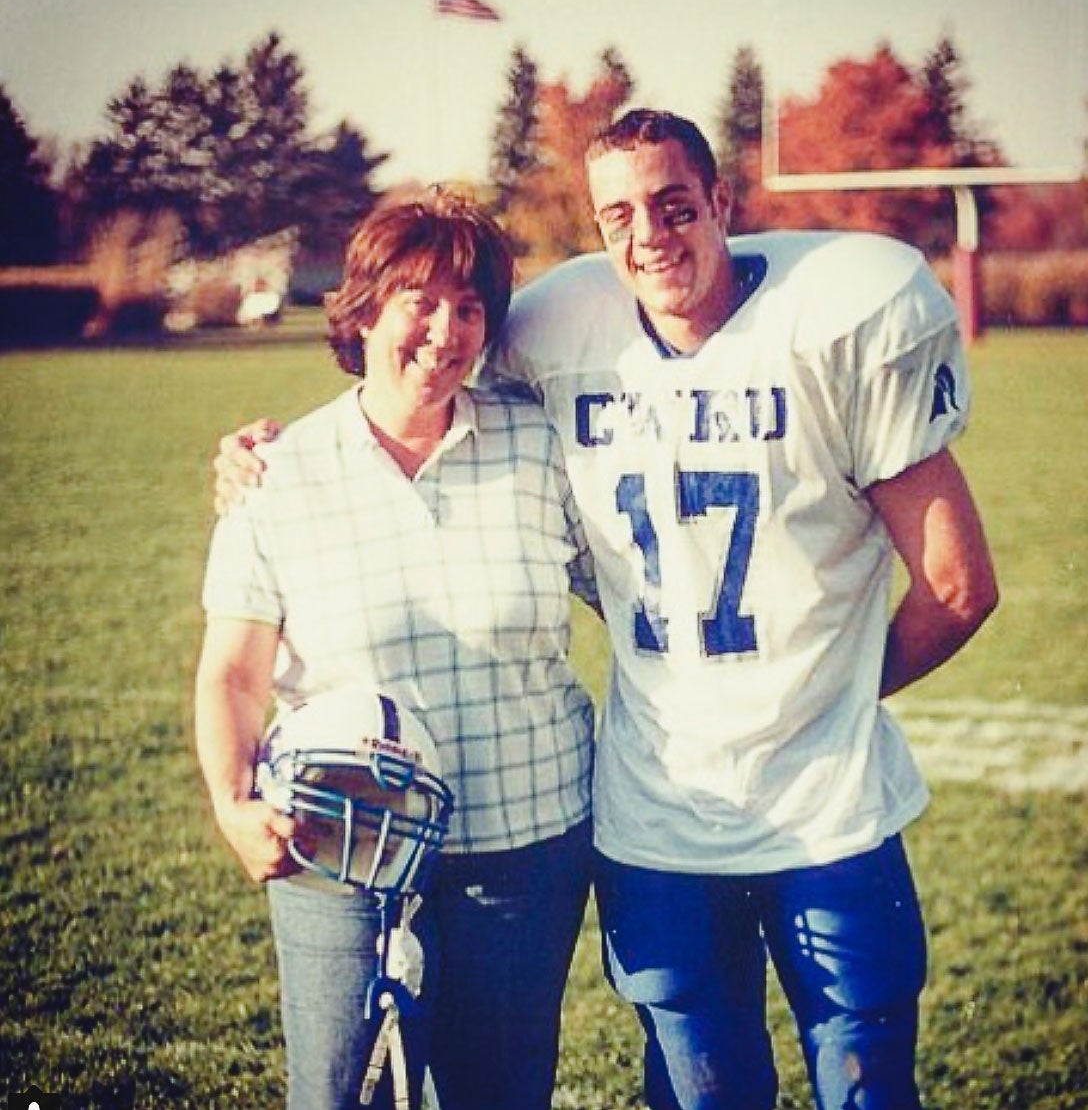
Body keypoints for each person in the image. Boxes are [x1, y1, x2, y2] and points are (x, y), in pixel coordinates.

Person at [216, 110, 999, 1110]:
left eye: (677, 205)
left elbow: (960, 584)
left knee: (864, 1076)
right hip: (657, 809)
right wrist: (262, 454)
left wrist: (827, 685)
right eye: (619, 213)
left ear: (723, 202)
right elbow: (413, 374)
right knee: (700, 1078)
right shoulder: (564, 328)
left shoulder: (838, 314)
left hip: (823, 802)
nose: (650, 234)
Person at [194, 187, 600, 1110]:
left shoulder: (540, 448)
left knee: (498, 1096)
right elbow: (232, 672)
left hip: (522, 848)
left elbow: (638, 593)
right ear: (366, 309)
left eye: (470, 307)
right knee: (340, 1098)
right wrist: (230, 803)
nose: (445, 330)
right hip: (335, 845)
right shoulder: (278, 471)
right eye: (420, 299)